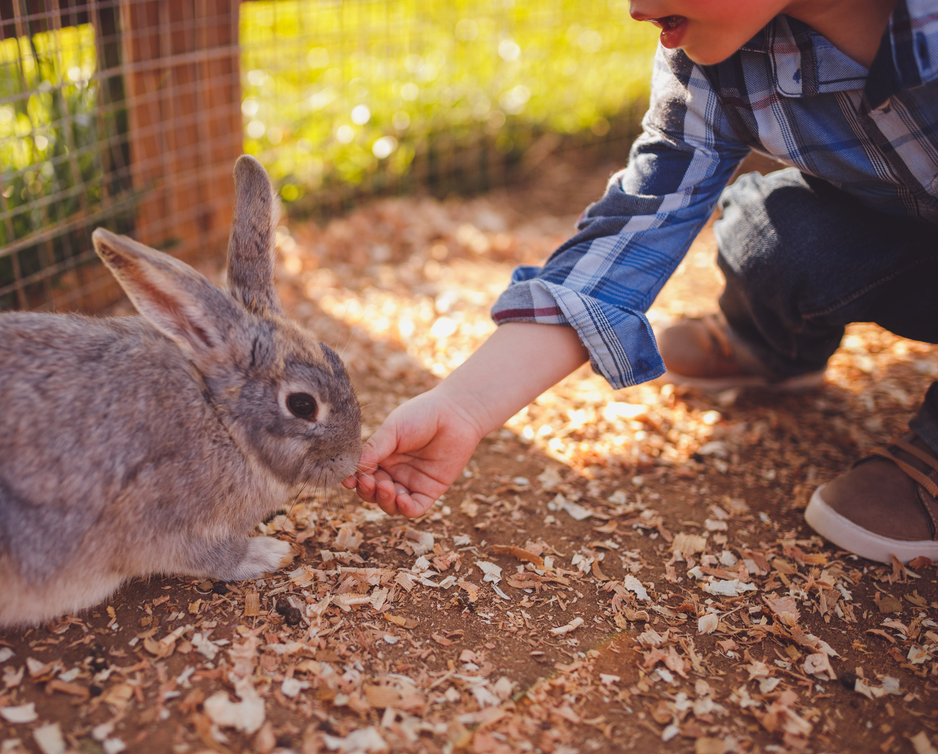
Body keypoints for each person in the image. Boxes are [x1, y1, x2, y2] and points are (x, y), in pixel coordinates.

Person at [343, 0, 938, 564]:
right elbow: (631, 231)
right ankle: (772, 343)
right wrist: (462, 407)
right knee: (771, 236)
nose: (634, 8)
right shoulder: (716, 64)